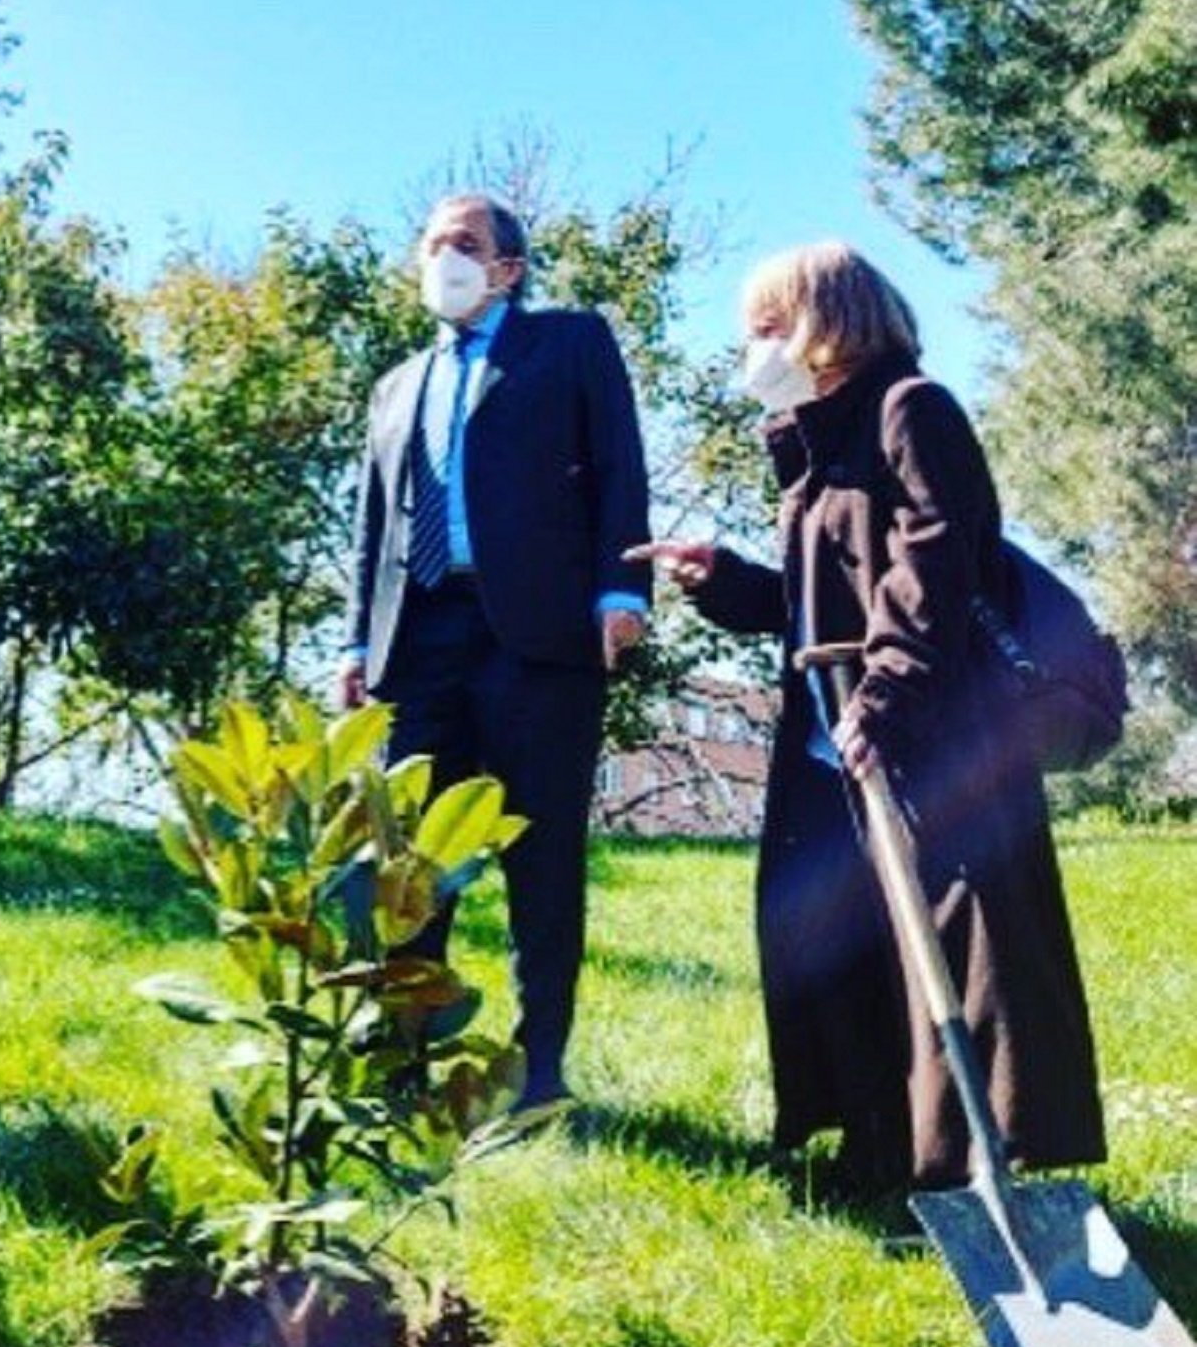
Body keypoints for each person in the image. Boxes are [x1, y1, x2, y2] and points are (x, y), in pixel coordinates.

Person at [630, 241, 1105, 1196]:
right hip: (831, 738)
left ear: (823, 320)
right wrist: (722, 579)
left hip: (926, 726)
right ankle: (879, 1148)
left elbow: (935, 563)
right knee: (851, 946)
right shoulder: (812, 450)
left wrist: (888, 697)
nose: (751, 349)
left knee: (965, 945)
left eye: (765, 326)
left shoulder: (909, 411)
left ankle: (994, 1164)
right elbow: (819, 606)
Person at [339, 192, 652, 1107]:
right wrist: (357, 636)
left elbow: (619, 463)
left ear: (509, 268)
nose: (445, 257)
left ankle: (538, 1067)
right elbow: (370, 522)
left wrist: (622, 588)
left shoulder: (569, 343)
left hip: (538, 635)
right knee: (412, 859)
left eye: (465, 244)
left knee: (541, 855)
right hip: (420, 636)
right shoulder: (394, 385)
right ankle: (405, 1057)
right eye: (433, 244)